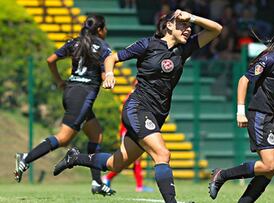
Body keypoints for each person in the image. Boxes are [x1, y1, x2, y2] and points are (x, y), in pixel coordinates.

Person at [52, 9, 222, 203]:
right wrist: (109, 74)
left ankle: (74, 158)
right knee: (162, 154)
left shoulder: (184, 49)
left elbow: (216, 29)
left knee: (115, 163)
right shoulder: (147, 44)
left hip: (158, 114)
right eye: (182, 25)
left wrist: (190, 17)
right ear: (168, 25)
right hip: (138, 108)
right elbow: (111, 58)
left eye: (189, 26)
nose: (188, 29)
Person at [14, 15, 115, 196]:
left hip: (70, 91)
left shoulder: (75, 43)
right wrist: (108, 77)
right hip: (83, 95)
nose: (106, 31)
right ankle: (26, 158)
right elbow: (103, 75)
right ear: (100, 30)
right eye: (105, 28)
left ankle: (97, 182)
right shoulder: (103, 47)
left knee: (96, 134)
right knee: (64, 138)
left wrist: (59, 81)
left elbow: (50, 59)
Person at [209, 22, 274, 203]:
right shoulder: (271, 59)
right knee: (269, 164)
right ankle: (222, 175)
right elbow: (243, 80)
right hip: (260, 114)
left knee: (271, 169)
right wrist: (240, 111)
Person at [101, 79, 154, 193]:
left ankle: (137, 185)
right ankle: (108, 178)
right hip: (128, 131)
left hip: (131, 130)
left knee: (133, 159)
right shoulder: (133, 97)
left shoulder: (135, 96)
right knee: (130, 159)